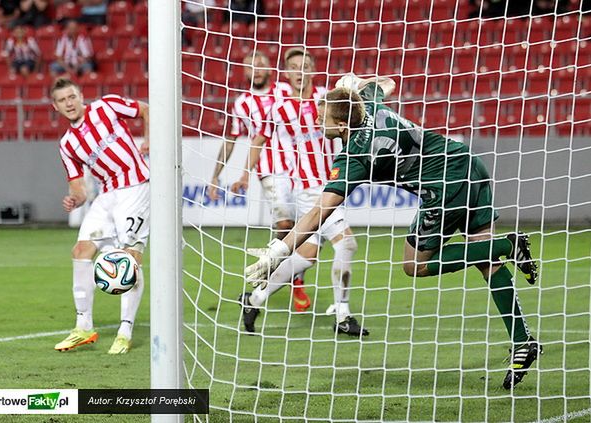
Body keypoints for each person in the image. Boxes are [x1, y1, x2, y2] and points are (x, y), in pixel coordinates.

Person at [244, 73, 541, 389]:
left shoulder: (354, 155)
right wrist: (357, 83)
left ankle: (506, 245)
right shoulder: (368, 104)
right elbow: (387, 83)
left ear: (342, 125)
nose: (317, 120)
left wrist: (276, 252)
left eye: (322, 116)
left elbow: (318, 213)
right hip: (467, 162)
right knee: (486, 262)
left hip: (443, 188)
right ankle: (523, 341)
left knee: (415, 265)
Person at [236, 48, 366, 337]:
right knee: (347, 244)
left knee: (306, 256)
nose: (299, 71)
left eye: (305, 66)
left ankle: (254, 299)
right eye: (294, 67)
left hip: (328, 182)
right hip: (309, 188)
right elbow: (259, 139)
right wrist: (245, 172)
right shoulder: (279, 108)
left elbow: (356, 100)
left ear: (313, 70)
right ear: (286, 74)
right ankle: (343, 315)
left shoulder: (328, 99)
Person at [51, 77, 150, 354]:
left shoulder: (106, 106)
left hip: (136, 187)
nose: (68, 103)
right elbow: (78, 187)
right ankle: (83, 327)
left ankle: (125, 330)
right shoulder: (67, 144)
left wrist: (149, 139)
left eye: (71, 97)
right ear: (55, 107)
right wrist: (75, 199)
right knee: (81, 250)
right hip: (106, 195)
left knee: (129, 258)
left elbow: (145, 109)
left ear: (81, 96)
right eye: (62, 100)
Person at [208, 50, 311, 313]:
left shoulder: (286, 90)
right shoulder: (242, 104)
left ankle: (281, 270)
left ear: (270, 69)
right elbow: (232, 139)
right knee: (286, 223)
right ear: (244, 71)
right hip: (269, 168)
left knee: (307, 228)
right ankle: (295, 280)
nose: (257, 68)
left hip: (302, 166)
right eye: (251, 65)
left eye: (261, 63)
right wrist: (215, 175)